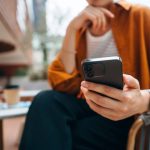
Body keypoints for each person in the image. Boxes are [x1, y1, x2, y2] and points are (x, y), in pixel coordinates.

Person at [19, 0, 150, 150]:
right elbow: (62, 84)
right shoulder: (81, 28)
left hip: (128, 115)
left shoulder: (141, 16)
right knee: (45, 100)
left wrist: (143, 101)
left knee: (56, 132)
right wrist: (72, 29)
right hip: (90, 104)